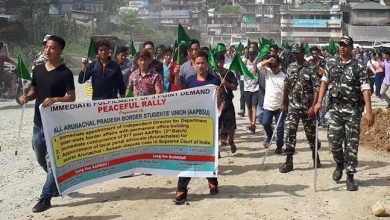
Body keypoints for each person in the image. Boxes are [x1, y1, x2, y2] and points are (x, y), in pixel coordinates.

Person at [17, 35, 76, 212]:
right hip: (38, 122)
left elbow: (71, 97)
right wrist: (27, 96)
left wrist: (56, 99)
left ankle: (45, 198)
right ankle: (56, 182)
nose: (47, 51)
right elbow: (35, 89)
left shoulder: (65, 73)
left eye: (52, 48)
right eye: (46, 47)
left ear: (60, 51)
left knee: (53, 162)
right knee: (39, 155)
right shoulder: (39, 69)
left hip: (56, 124)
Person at [314, 36, 374, 191]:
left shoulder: (359, 66)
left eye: (345, 45)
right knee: (333, 139)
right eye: (340, 45)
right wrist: (319, 102)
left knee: (351, 144)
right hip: (336, 109)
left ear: (351, 48)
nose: (342, 47)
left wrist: (369, 110)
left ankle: (350, 176)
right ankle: (339, 163)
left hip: (353, 110)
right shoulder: (331, 63)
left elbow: (365, 88)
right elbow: (324, 82)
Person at [175, 50, 221, 204]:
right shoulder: (189, 81)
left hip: (208, 125)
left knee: (207, 155)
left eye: (203, 63)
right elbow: (182, 98)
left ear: (207, 65)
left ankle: (212, 181)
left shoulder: (214, 80)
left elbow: (219, 104)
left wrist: (219, 94)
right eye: (198, 63)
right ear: (193, 65)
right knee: (188, 156)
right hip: (192, 124)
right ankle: (181, 189)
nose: (200, 65)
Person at [279, 43, 321, 173]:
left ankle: (315, 155)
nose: (295, 55)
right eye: (294, 53)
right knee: (290, 130)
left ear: (303, 53)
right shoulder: (290, 67)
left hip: (307, 107)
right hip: (293, 105)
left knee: (311, 134)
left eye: (297, 52)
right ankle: (289, 159)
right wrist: (284, 102)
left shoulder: (311, 68)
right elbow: (286, 86)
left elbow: (316, 89)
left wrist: (314, 106)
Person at [257, 55, 286, 154]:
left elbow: (286, 93)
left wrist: (284, 103)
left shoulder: (284, 77)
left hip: (280, 106)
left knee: (280, 128)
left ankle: (279, 146)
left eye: (275, 66)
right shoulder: (268, 73)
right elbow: (258, 66)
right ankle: (269, 136)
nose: (273, 68)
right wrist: (268, 61)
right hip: (268, 105)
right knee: (265, 122)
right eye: (271, 66)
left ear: (280, 65)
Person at [215, 52, 238, 153]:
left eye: (220, 61)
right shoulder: (213, 74)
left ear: (224, 62)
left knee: (231, 126)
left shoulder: (229, 73)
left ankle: (231, 141)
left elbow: (235, 87)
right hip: (216, 105)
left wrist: (226, 83)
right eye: (217, 62)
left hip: (228, 103)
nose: (218, 64)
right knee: (216, 128)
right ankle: (217, 151)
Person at [243, 42, 260, 133]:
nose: (251, 56)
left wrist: (254, 65)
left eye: (253, 54)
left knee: (254, 107)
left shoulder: (257, 61)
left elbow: (254, 75)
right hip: (246, 87)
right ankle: (251, 123)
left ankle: (253, 124)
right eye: (249, 54)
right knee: (249, 107)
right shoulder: (244, 61)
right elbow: (240, 74)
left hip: (255, 88)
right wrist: (243, 66)